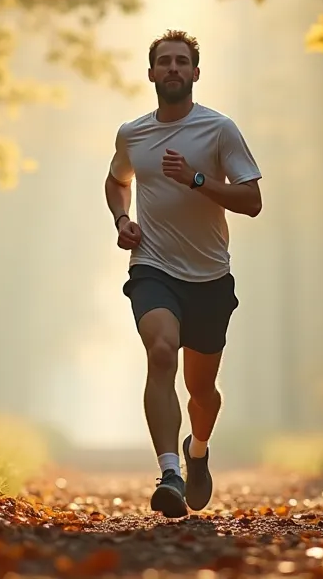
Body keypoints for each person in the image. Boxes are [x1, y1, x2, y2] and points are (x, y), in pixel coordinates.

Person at [103, 29, 263, 518]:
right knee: (160, 351)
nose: (172, 68)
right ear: (151, 73)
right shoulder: (133, 133)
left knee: (202, 392)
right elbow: (116, 180)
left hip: (209, 276)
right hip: (153, 266)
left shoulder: (219, 129)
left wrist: (196, 179)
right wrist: (122, 220)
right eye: (164, 61)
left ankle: (197, 450)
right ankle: (169, 472)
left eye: (181, 61)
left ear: (195, 72)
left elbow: (252, 201)